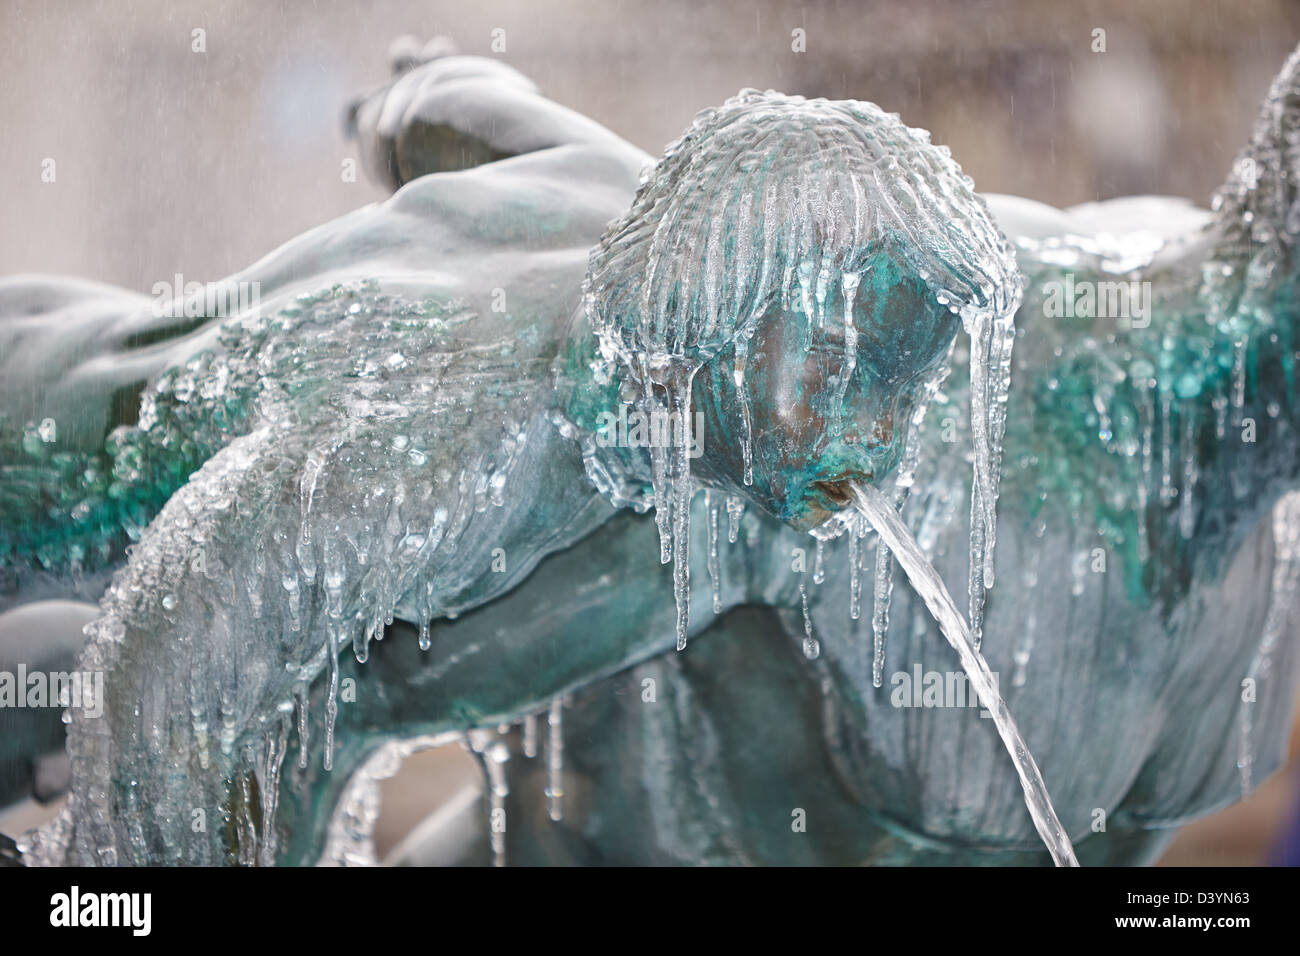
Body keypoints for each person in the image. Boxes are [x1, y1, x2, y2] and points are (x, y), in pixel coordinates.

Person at [5, 37, 1300, 865]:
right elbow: (184, 668)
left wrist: (452, 98)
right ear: (748, 312)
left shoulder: (687, 412)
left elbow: (588, 166)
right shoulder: (479, 428)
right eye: (865, 379)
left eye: (914, 391)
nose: (886, 443)